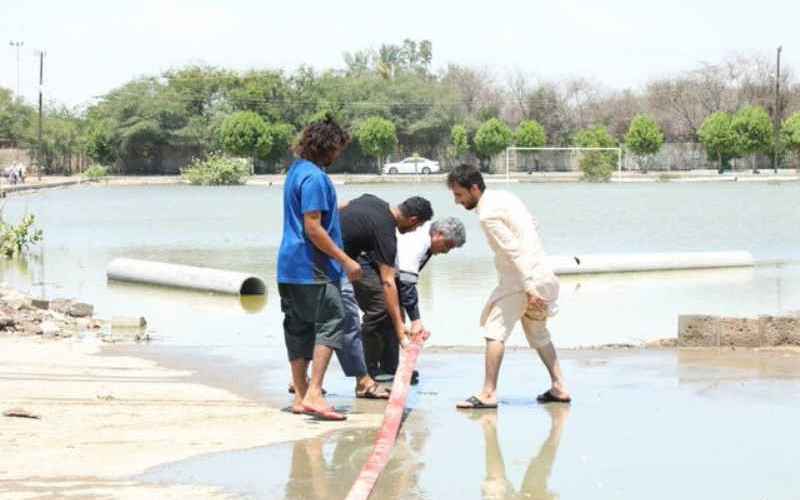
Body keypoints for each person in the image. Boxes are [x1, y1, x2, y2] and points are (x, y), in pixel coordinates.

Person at [447, 164, 571, 409]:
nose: (457, 202)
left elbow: (512, 249)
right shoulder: (505, 197)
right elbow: (533, 225)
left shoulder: (486, 215)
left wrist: (528, 286)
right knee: (538, 332)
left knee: (494, 330)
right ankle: (559, 386)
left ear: (474, 188)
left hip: (521, 280)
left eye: (459, 195)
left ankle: (488, 393)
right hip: (542, 272)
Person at [276, 115, 360, 421]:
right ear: (326, 146)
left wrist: (337, 209)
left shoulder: (296, 171)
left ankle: (300, 395)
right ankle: (315, 392)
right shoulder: (316, 178)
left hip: (288, 266)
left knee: (298, 325)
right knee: (333, 318)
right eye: (337, 148)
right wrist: (345, 260)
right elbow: (313, 228)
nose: (338, 154)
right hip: (312, 267)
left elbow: (306, 214)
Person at [337, 194, 433, 398]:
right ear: (413, 219)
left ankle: (380, 369)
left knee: (321, 319)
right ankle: (368, 372)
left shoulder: (373, 200)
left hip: (323, 251)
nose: (415, 230)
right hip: (333, 261)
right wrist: (401, 333)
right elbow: (388, 282)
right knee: (379, 308)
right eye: (417, 226)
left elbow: (343, 205)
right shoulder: (386, 233)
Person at [355, 217, 466, 381]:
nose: (446, 251)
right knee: (379, 311)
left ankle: (390, 369)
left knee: (395, 315)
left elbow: (403, 282)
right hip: (365, 262)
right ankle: (368, 371)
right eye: (448, 245)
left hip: (387, 270)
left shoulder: (428, 242)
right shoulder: (419, 241)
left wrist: (404, 312)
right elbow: (407, 284)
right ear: (439, 234)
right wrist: (416, 320)